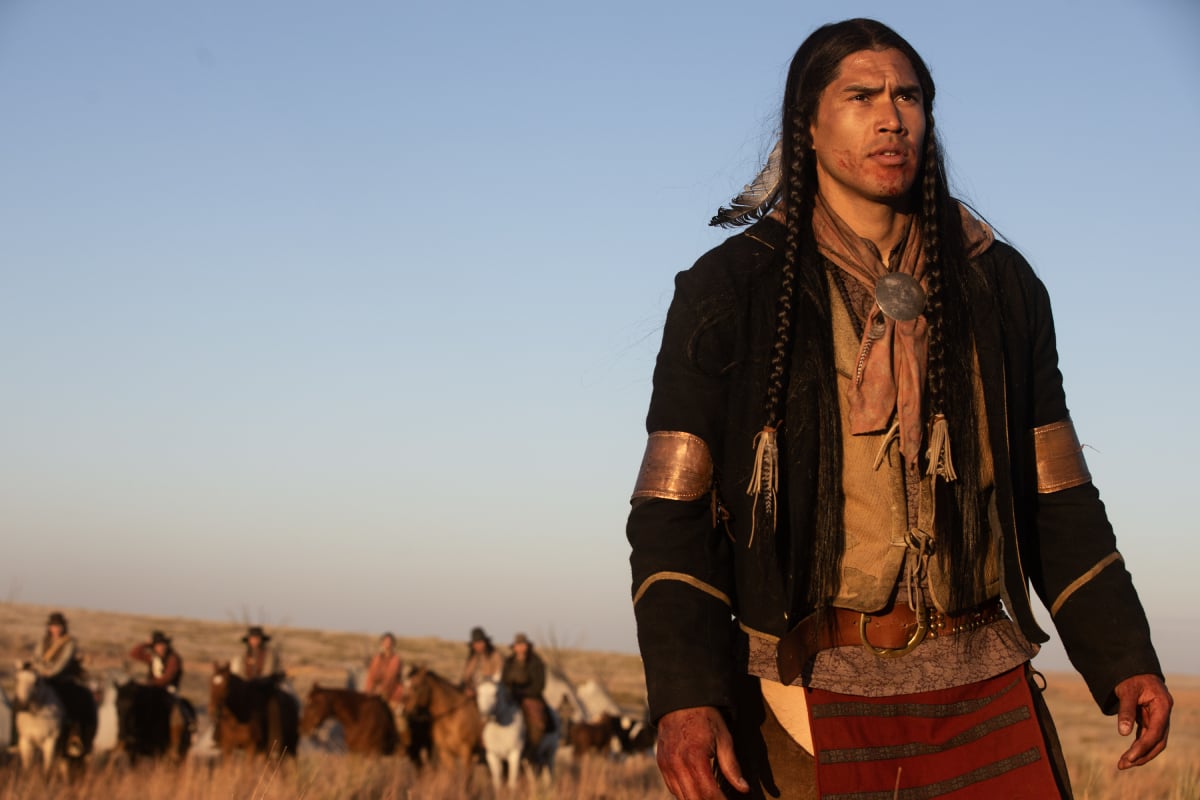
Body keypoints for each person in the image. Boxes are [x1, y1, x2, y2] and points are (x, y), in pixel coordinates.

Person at [627, 18, 1172, 800]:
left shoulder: (1001, 285)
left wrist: (1123, 654)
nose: (892, 117)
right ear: (807, 127)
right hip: (806, 693)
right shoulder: (731, 290)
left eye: (909, 96)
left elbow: (1057, 491)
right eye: (861, 96)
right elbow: (669, 511)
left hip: (985, 678)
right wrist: (685, 692)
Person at [31, 611, 97, 756]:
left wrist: (49, 673)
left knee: (77, 701)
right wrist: (40, 671)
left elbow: (63, 662)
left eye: (58, 626)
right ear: (49, 627)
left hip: (61, 681)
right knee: (23, 699)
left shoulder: (69, 642)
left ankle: (75, 736)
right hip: (43, 679)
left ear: (63, 627)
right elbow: (36, 658)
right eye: (53, 626)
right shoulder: (43, 641)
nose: (56, 629)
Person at [129, 630, 197, 731]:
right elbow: (134, 653)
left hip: (168, 688)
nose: (161, 647)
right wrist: (146, 644)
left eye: (163, 644)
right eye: (158, 645)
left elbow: (168, 677)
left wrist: (152, 684)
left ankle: (188, 722)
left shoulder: (173, 658)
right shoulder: (153, 658)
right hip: (151, 688)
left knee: (176, 706)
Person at [500, 633, 553, 754]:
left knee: (538, 722)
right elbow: (503, 680)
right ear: (514, 647)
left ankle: (533, 749)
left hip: (530, 696)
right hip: (510, 696)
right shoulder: (508, 662)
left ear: (527, 646)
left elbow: (539, 685)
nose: (520, 648)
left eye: (522, 645)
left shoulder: (536, 662)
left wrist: (523, 692)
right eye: (517, 645)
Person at [363, 631, 406, 707]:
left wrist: (382, 690)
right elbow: (371, 676)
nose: (387, 644)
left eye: (389, 642)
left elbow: (390, 677)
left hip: (393, 695)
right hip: (375, 693)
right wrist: (368, 693)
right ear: (382, 643)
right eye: (385, 642)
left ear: (393, 644)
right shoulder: (376, 658)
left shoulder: (396, 660)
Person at [460, 626, 504, 693]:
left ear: (485, 642)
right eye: (476, 643)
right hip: (471, 690)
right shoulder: (472, 658)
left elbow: (499, 676)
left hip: (489, 690)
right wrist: (467, 687)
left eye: (480, 642)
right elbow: (466, 677)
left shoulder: (495, 655)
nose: (478, 645)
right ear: (473, 645)